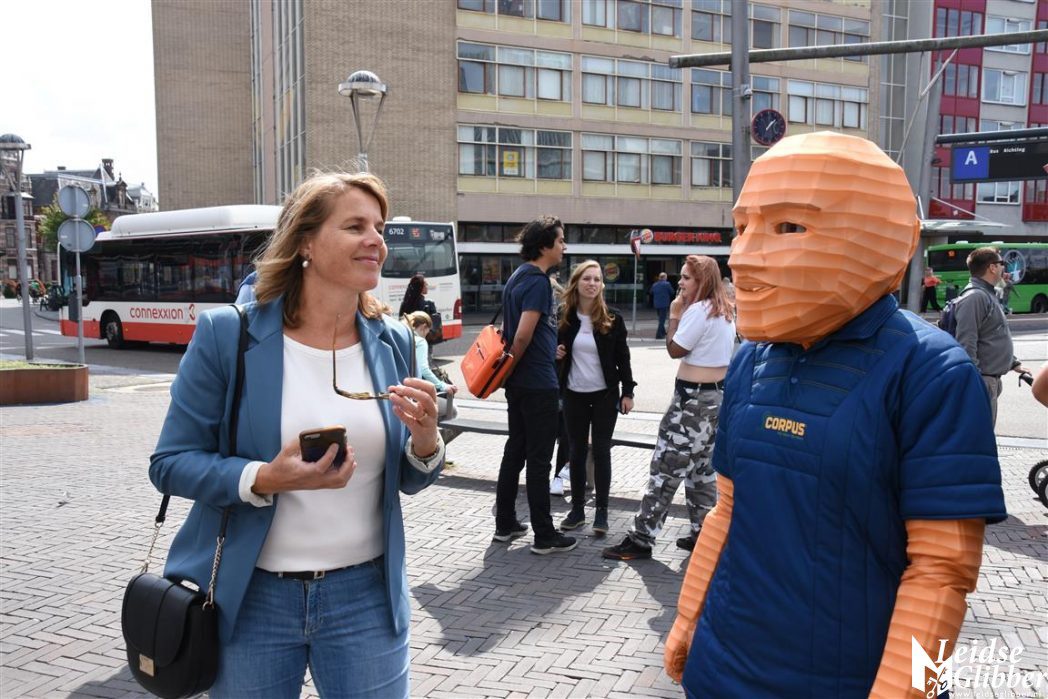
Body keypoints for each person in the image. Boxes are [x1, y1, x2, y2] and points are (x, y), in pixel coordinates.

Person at [663, 133, 1007, 697]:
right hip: (719, 668)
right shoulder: (750, 360)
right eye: (742, 227)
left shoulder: (931, 372)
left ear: (886, 237)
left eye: (788, 226)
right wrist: (686, 617)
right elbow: (728, 510)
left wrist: (906, 690)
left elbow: (944, 572)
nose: (742, 255)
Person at [150, 172, 445, 698]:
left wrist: (425, 441)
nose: (375, 240)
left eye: (378, 228)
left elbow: (408, 477)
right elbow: (170, 463)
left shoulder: (395, 341)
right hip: (251, 597)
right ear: (305, 241)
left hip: (366, 597)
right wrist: (265, 477)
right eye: (355, 226)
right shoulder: (229, 335)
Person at [603, 255, 735, 561]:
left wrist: (675, 315)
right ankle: (703, 534)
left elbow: (675, 349)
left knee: (665, 468)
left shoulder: (699, 311)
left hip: (690, 402)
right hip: (715, 400)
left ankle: (641, 538)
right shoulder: (725, 310)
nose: (681, 282)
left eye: (687, 278)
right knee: (702, 471)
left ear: (702, 281)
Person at [493, 215, 577, 554]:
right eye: (560, 240)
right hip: (537, 383)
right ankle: (544, 535)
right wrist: (510, 367)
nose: (564, 246)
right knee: (540, 460)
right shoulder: (539, 283)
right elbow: (523, 335)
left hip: (520, 383)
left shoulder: (517, 276)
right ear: (544, 246)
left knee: (515, 451)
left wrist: (510, 372)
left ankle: (505, 524)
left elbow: (524, 331)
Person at [556, 260, 636, 536]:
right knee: (576, 451)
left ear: (602, 285)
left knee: (601, 451)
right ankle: (577, 510)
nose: (592, 283)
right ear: (576, 283)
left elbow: (623, 357)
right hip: (574, 394)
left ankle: (601, 511)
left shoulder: (613, 318)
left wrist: (628, 392)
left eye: (597, 279)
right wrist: (556, 354)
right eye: (587, 278)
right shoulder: (564, 317)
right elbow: (554, 352)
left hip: (605, 395)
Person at [954, 247, 1027, 426]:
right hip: (982, 380)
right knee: (978, 434)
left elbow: (993, 334)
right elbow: (966, 342)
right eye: (1002, 264)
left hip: (989, 379)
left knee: (982, 433)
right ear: (992, 267)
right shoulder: (975, 297)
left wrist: (1013, 363)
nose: (1004, 268)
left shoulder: (987, 293)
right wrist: (974, 381)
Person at [402, 310, 458, 420]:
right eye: (428, 331)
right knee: (452, 411)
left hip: (400, 392)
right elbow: (423, 369)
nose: (427, 335)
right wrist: (442, 386)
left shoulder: (402, 337)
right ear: (424, 327)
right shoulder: (420, 341)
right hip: (413, 394)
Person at [650, 272, 674, 340]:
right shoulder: (667, 284)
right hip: (664, 304)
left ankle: (663, 332)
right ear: (664, 277)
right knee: (662, 320)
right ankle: (658, 335)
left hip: (657, 304)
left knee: (660, 319)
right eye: (666, 277)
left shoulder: (655, 284)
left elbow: (651, 292)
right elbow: (672, 292)